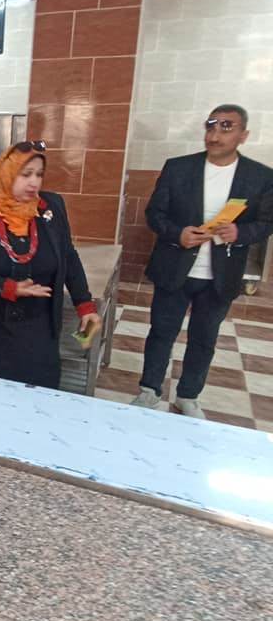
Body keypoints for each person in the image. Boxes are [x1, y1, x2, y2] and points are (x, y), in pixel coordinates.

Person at [131, 104, 273, 418]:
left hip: (221, 273)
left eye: (226, 127)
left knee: (204, 338)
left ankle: (188, 396)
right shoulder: (178, 168)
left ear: (243, 135)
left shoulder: (260, 177)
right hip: (175, 266)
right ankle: (149, 390)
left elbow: (266, 223)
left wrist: (240, 232)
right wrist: (177, 234)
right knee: (161, 332)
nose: (215, 134)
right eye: (211, 125)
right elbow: (155, 213)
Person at [0, 142, 102, 388]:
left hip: (37, 326)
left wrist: (85, 304)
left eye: (39, 175)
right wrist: (4, 287)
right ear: (7, 172)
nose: (34, 183)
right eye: (26, 174)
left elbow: (68, 257)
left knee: (36, 394)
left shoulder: (51, 208)